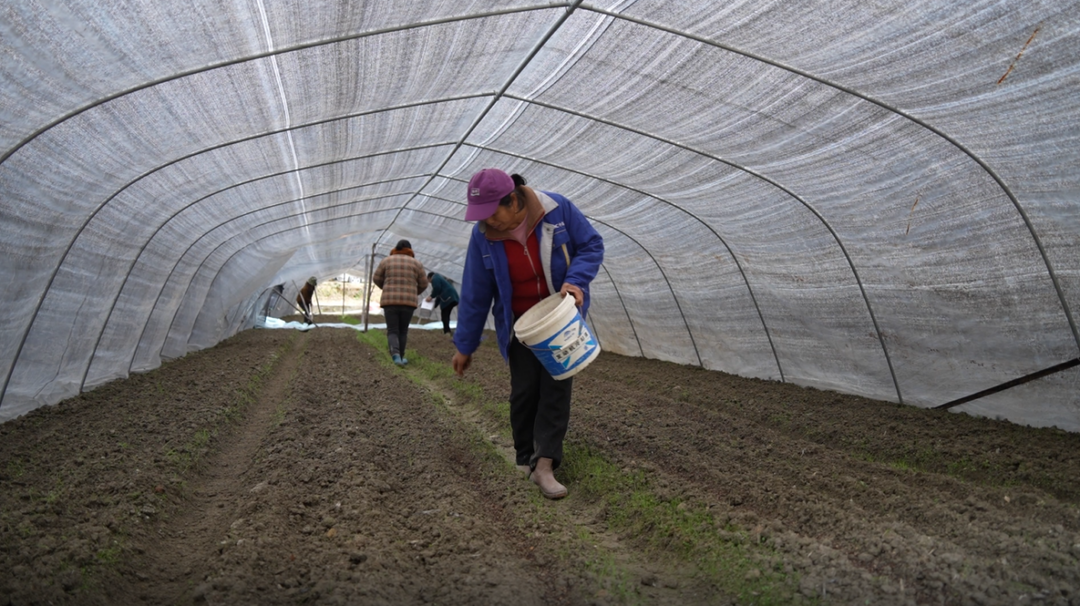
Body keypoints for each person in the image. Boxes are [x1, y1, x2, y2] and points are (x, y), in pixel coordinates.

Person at [451, 169, 604, 500]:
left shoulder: (556, 210)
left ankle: (545, 465)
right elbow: (476, 292)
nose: (488, 221)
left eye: (493, 213)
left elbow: (591, 244)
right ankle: (524, 457)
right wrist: (465, 345)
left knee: (555, 388)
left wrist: (576, 280)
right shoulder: (483, 236)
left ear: (513, 200)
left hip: (559, 318)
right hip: (519, 325)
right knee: (524, 392)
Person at [373, 239, 428, 366]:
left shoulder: (386, 261)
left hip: (390, 301)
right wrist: (414, 292)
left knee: (392, 330)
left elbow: (376, 278)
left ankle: (395, 355)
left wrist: (385, 288)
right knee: (403, 330)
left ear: (396, 248)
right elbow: (424, 284)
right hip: (408, 303)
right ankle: (401, 357)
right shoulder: (417, 263)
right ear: (410, 250)